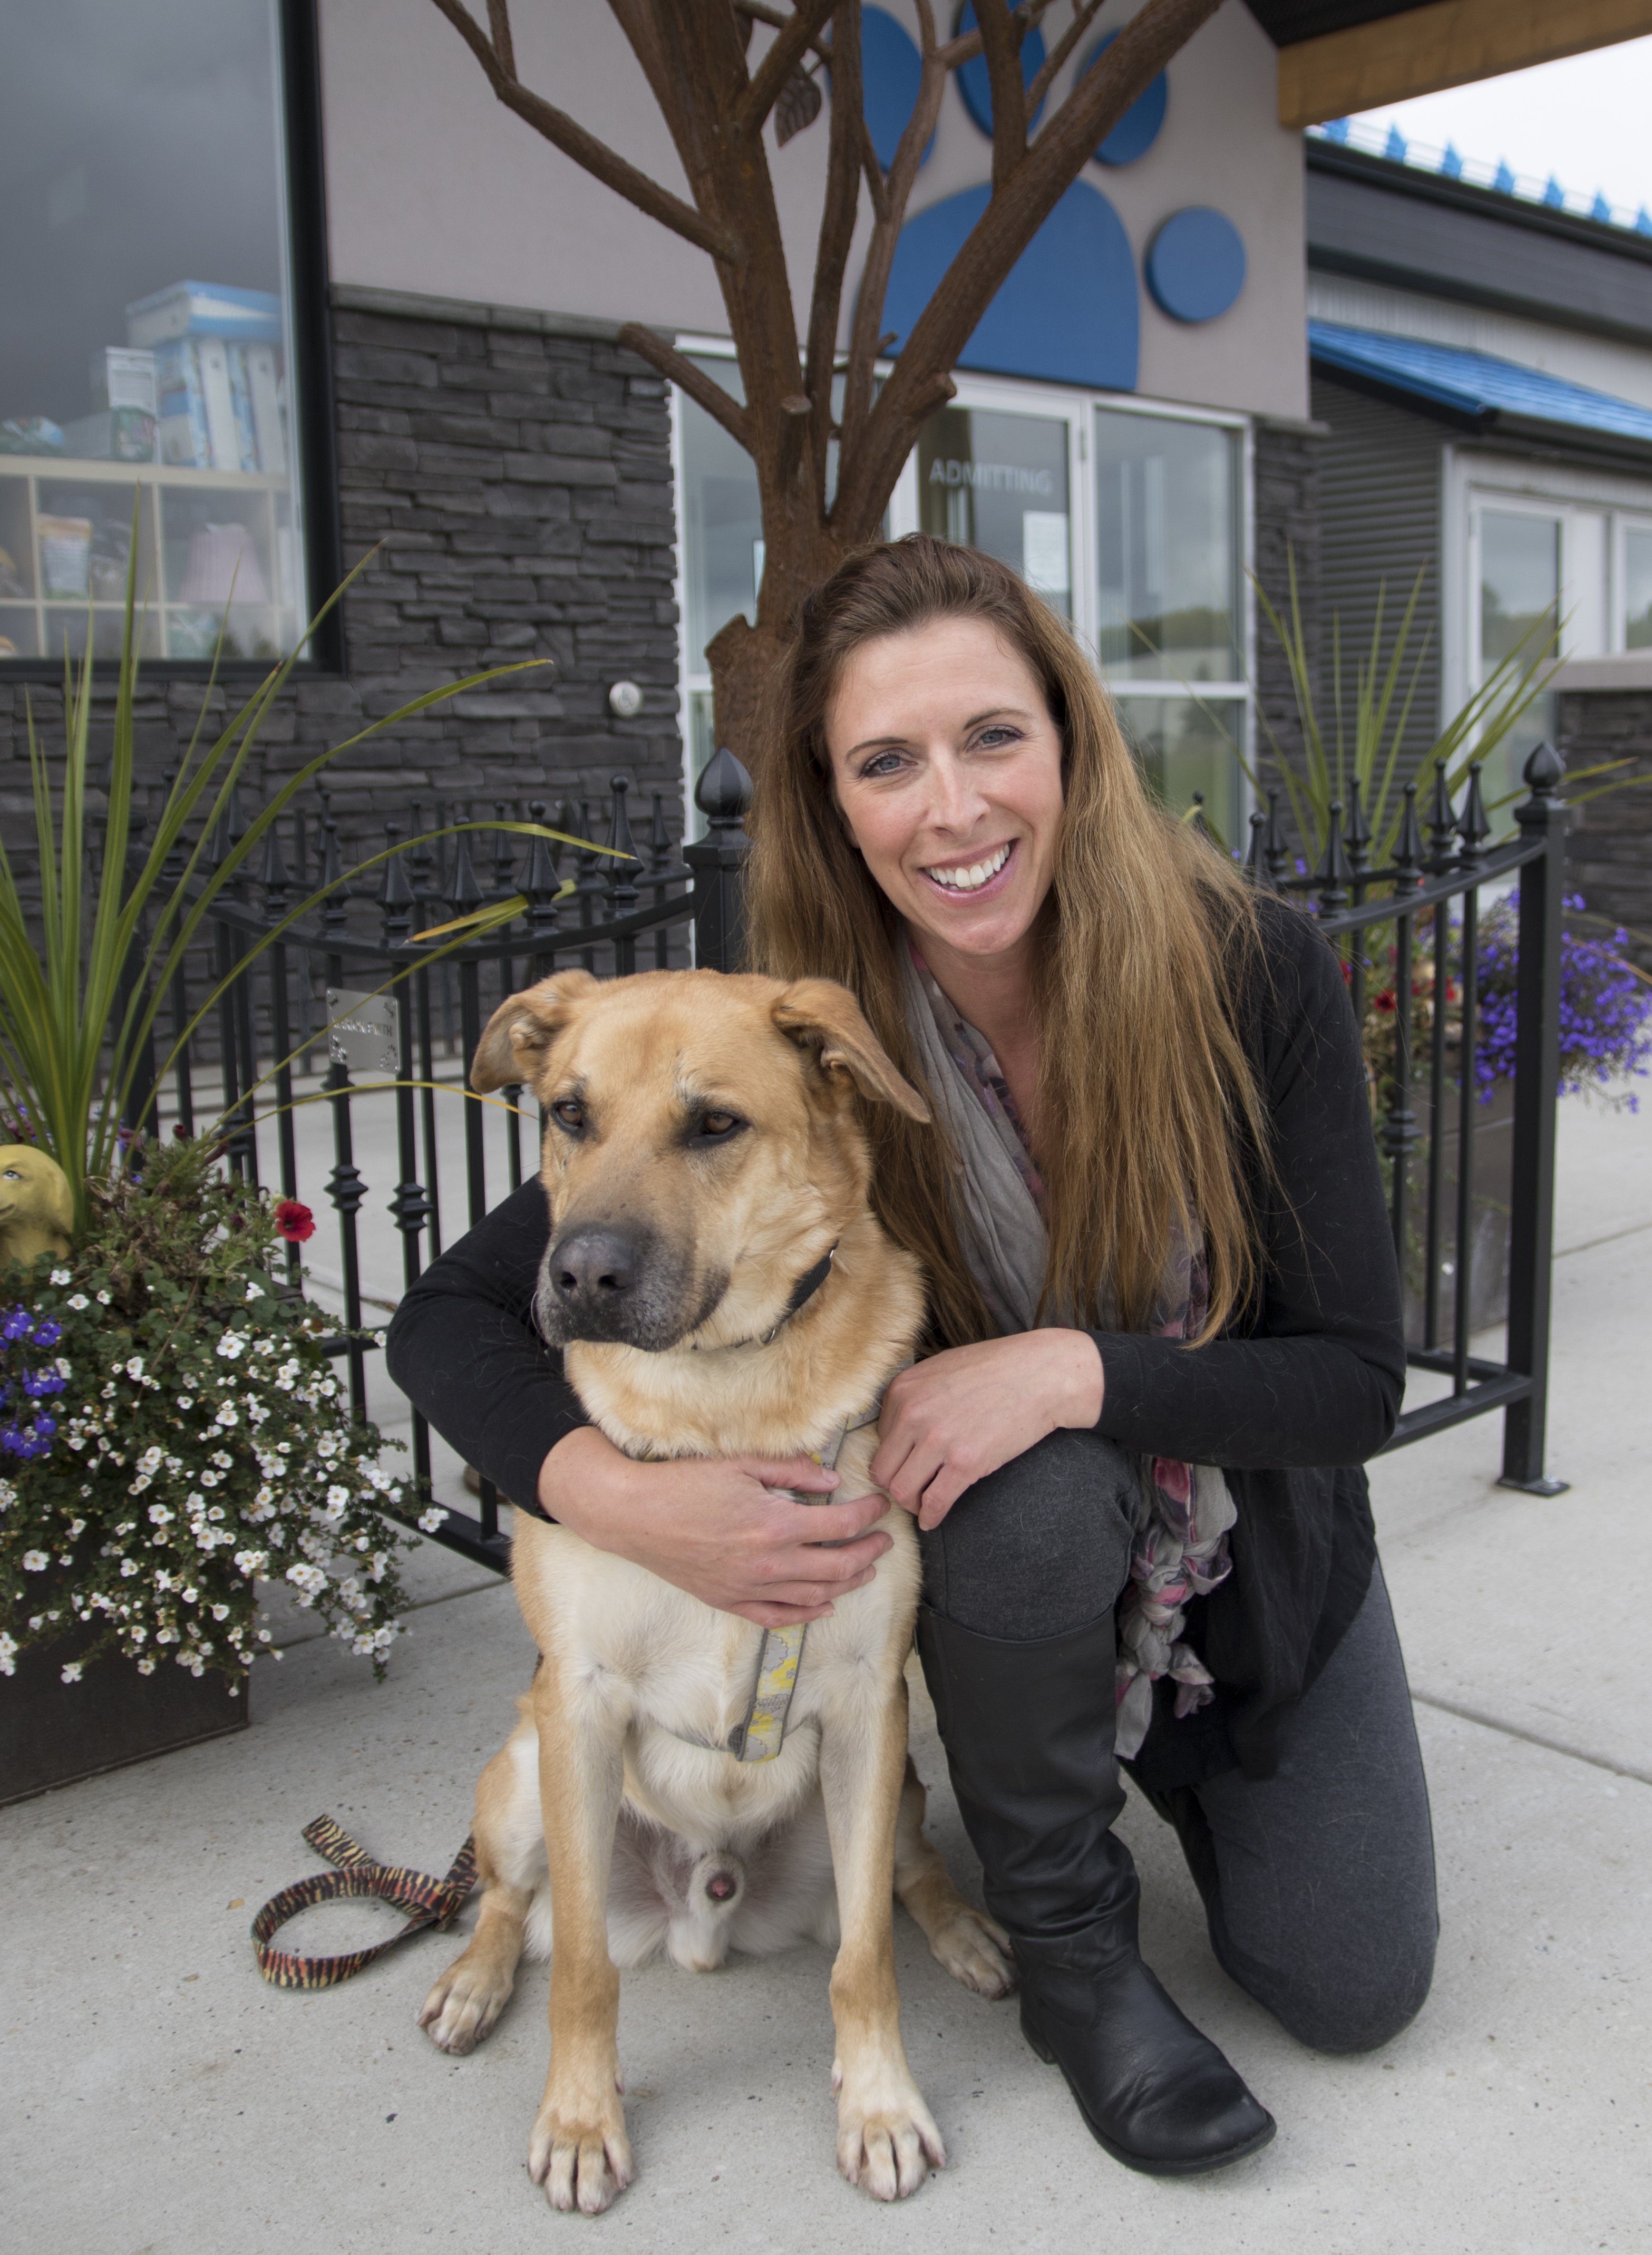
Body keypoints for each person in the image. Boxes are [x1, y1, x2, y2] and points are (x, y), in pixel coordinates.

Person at [386, 534, 1436, 2180]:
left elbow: (1359, 1380)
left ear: (1071, 742)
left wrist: (1071, 1368)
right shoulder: (795, 1028)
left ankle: (1175, 1740)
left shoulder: (1248, 970)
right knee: (1014, 1501)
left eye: (992, 738)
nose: (950, 809)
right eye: (889, 761)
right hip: (1032, 1555)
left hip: (1248, 1546)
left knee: (1356, 1978)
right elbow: (455, 1313)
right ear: (834, 795)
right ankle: (1078, 1958)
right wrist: (615, 1499)